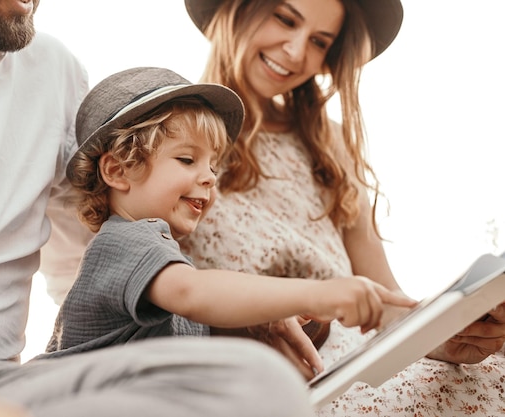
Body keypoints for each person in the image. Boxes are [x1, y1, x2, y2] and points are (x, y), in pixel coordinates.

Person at [0, 0, 328, 415]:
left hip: (3, 387)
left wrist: (234, 324)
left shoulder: (53, 71)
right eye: (189, 160)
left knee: (257, 380)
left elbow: (88, 258)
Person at [178, 0, 505, 415]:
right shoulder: (175, 139)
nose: (296, 52)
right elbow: (151, 280)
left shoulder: (328, 144)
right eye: (285, 18)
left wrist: (448, 335)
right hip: (261, 369)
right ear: (236, 10)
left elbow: (384, 299)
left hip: (356, 355)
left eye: (319, 41)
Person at [41, 66, 416, 370]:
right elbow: (194, 292)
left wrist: (271, 317)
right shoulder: (124, 243)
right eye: (187, 159)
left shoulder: (163, 258)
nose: (208, 177)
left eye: (213, 165)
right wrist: (319, 291)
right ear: (118, 170)